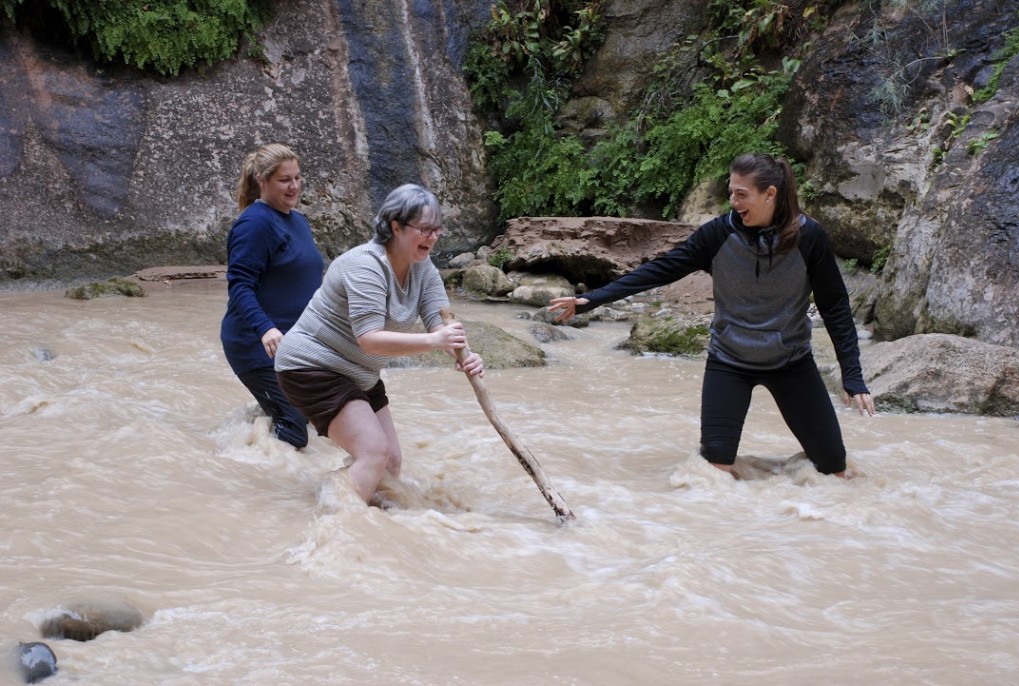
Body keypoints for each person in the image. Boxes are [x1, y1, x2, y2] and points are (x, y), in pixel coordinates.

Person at [549, 152, 875, 479]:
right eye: (731, 192)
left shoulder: (810, 238)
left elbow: (835, 307)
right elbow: (661, 270)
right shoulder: (718, 235)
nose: (732, 201)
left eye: (741, 194)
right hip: (729, 362)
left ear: (770, 194)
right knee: (715, 472)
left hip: (791, 363)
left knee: (834, 470)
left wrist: (852, 375)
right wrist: (589, 299)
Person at [274, 183, 485, 503]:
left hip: (360, 372)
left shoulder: (424, 268)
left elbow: (442, 324)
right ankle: (339, 523)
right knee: (373, 452)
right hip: (312, 366)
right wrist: (434, 340)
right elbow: (369, 339)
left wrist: (464, 354)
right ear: (395, 227)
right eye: (424, 229)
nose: (432, 237)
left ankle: (355, 507)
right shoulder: (366, 265)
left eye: (437, 229)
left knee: (390, 462)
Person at [220, 143, 324, 449]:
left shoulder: (298, 221)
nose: (294, 186)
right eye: (284, 180)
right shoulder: (255, 224)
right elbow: (239, 283)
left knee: (325, 417)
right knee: (296, 433)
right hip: (257, 345)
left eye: (297, 177)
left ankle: (262, 415)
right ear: (262, 181)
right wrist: (264, 327)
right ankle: (248, 451)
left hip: (294, 344)